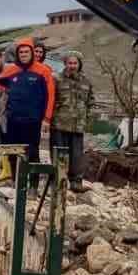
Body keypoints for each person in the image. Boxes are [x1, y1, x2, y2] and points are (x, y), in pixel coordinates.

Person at [0, 39, 51, 179]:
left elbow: (50, 95)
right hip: (14, 119)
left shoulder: (43, 70)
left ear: (31, 52)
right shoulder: (12, 69)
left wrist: (47, 118)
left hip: (33, 120)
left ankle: (32, 185)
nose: (24, 54)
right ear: (17, 54)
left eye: (26, 51)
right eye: (21, 52)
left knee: (32, 152)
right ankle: (16, 180)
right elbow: (0, 81)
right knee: (13, 150)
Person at [50, 52, 93, 190]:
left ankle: (76, 182)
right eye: (70, 63)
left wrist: (88, 119)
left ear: (79, 64)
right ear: (65, 64)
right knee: (59, 154)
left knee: (77, 154)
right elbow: (50, 100)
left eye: (75, 63)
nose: (72, 66)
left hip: (78, 125)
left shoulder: (86, 81)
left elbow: (91, 102)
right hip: (59, 123)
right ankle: (58, 180)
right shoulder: (56, 79)